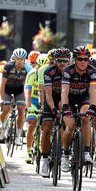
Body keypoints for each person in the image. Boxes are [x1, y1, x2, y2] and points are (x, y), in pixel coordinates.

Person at [61, 46, 96, 173]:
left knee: (86, 118)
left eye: (86, 59)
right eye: (80, 59)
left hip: (84, 98)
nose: (83, 62)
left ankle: (86, 151)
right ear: (75, 60)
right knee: (70, 125)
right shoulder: (68, 70)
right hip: (70, 99)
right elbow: (64, 90)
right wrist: (65, 106)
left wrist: (93, 106)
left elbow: (93, 90)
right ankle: (65, 155)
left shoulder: (92, 71)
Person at [39, 49, 71, 177]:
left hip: (66, 99)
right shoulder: (49, 72)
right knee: (47, 127)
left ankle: (65, 153)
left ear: (69, 61)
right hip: (51, 98)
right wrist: (52, 108)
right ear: (54, 61)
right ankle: (45, 160)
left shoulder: (72, 72)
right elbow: (47, 93)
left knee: (67, 126)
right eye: (59, 61)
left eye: (65, 61)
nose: (62, 63)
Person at [0, 48, 32, 144]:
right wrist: (2, 99)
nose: (20, 62)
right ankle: (3, 125)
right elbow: (3, 83)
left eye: (22, 59)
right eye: (18, 59)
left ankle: (18, 135)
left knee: (21, 109)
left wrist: (27, 100)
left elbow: (27, 85)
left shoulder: (28, 68)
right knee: (6, 108)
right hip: (7, 88)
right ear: (14, 59)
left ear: (25, 59)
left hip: (20, 89)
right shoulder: (8, 66)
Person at [24, 53, 49, 164]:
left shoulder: (48, 73)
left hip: (44, 101)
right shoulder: (32, 74)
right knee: (32, 122)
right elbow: (27, 92)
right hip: (33, 100)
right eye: (38, 66)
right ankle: (29, 150)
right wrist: (29, 107)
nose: (40, 69)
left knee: (47, 125)